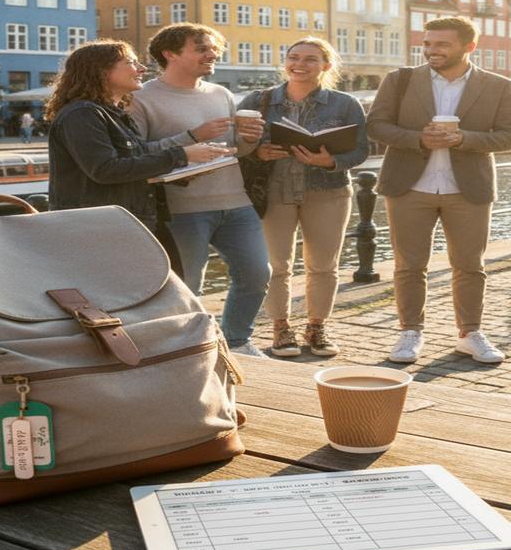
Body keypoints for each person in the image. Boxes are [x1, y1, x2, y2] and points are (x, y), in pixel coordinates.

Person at [367, 16, 511, 365]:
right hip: (409, 184)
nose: (431, 50)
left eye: (441, 44)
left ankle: (470, 333)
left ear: (469, 47)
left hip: (467, 188)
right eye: (427, 43)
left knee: (470, 265)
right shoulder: (401, 80)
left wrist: (464, 139)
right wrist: (417, 138)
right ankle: (410, 332)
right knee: (409, 265)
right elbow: (376, 125)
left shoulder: (498, 85)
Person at [131, 23, 270, 357]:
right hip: (181, 207)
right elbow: (138, 154)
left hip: (235, 202)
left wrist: (248, 139)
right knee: (186, 286)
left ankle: (237, 342)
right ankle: (186, 350)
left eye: (213, 48)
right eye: (202, 48)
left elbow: (235, 150)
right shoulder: (140, 98)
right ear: (170, 54)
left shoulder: (221, 93)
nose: (212, 55)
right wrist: (193, 135)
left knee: (256, 274)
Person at [45, 38, 229, 279]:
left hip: (131, 220)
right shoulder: (82, 114)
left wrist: (188, 169)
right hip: (101, 228)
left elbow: (136, 163)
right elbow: (105, 170)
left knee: (167, 289)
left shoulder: (116, 113)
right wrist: (181, 155)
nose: (142, 69)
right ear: (102, 71)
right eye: (131, 62)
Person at [241, 38, 368, 358]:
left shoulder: (345, 104)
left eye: (311, 59)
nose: (300, 64)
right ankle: (281, 328)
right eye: (293, 56)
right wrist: (257, 152)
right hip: (274, 190)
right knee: (276, 265)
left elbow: (361, 150)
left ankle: (316, 326)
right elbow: (235, 144)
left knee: (324, 265)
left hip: (327, 190)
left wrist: (330, 161)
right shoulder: (258, 100)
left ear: (326, 65)